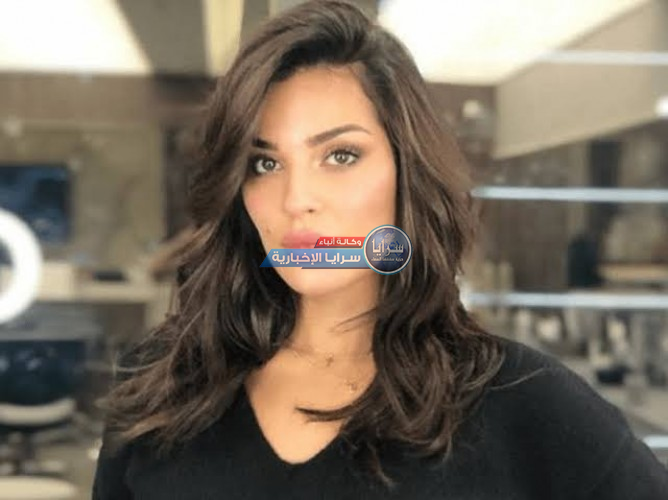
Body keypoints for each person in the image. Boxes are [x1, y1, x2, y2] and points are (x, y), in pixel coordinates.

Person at [91, 1, 668, 498]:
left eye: (340, 155)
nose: (297, 199)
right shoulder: (159, 385)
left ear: (406, 172)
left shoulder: (525, 404)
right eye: (264, 163)